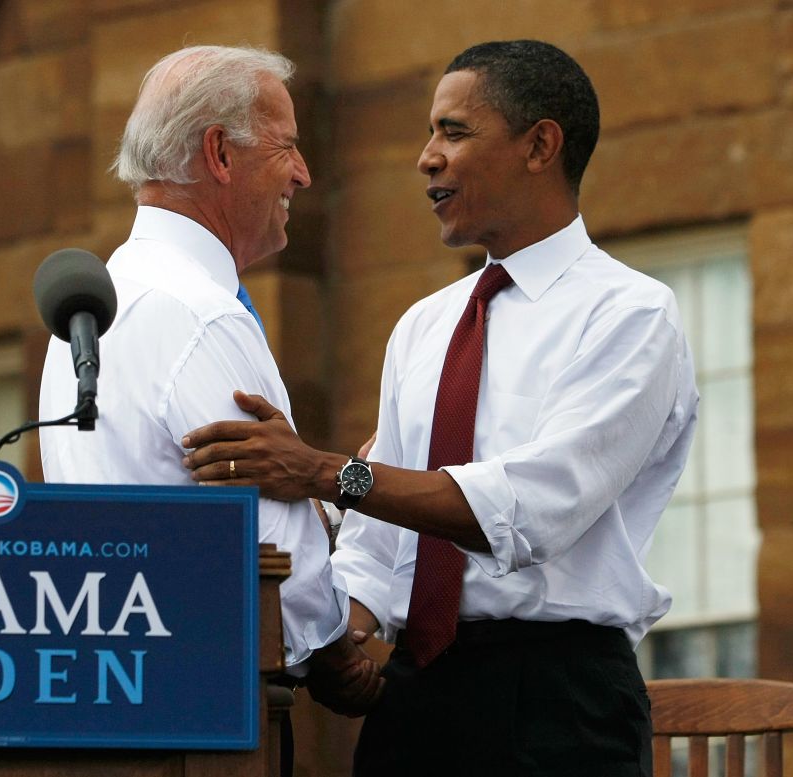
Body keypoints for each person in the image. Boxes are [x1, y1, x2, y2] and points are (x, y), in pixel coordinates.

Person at [181, 40, 698, 776]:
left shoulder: (631, 315)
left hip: (559, 701)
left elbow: (529, 507)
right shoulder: (425, 325)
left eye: (453, 131)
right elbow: (380, 536)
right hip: (416, 694)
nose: (427, 157)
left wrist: (324, 472)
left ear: (539, 145)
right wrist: (341, 641)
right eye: (429, 132)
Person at [37, 45, 383, 761]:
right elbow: (267, 536)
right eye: (287, 146)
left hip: (120, 702)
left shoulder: (102, 299)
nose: (304, 173)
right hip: (217, 720)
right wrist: (341, 659)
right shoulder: (200, 316)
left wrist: (333, 498)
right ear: (221, 153)